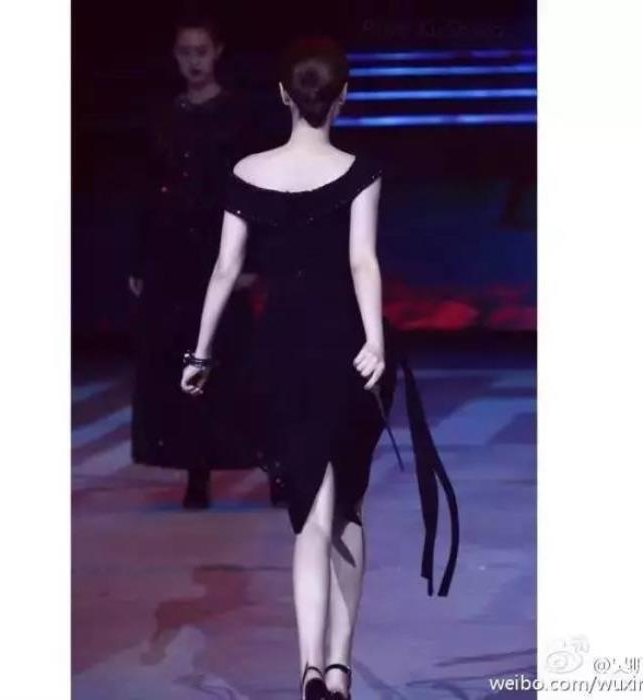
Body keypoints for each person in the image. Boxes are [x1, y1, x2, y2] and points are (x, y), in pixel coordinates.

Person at [180, 37, 459, 699]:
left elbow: (225, 269)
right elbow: (363, 262)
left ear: (283, 95)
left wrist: (200, 352)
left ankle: (309, 667)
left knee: (309, 507)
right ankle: (338, 667)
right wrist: (376, 342)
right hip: (346, 349)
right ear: (344, 97)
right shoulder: (361, 171)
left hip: (281, 351)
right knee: (347, 507)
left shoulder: (247, 172)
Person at [129, 9, 286, 508]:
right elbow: (146, 191)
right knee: (184, 362)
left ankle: (275, 468)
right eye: (185, 52)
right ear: (174, 56)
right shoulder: (162, 114)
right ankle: (196, 473)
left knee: (242, 365)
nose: (193, 61)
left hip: (226, 249)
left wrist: (255, 257)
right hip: (174, 255)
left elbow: (260, 187)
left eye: (201, 51)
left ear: (217, 52)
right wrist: (139, 260)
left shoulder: (242, 115)